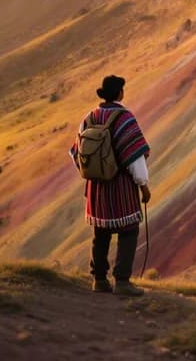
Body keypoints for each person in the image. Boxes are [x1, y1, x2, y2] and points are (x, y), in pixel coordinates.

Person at [68, 75, 152, 296]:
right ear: (120, 93)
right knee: (129, 231)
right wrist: (143, 186)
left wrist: (94, 173)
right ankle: (123, 281)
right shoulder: (124, 119)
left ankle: (99, 280)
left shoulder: (89, 118)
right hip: (121, 187)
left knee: (101, 234)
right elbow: (135, 158)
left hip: (96, 189)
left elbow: (77, 153)